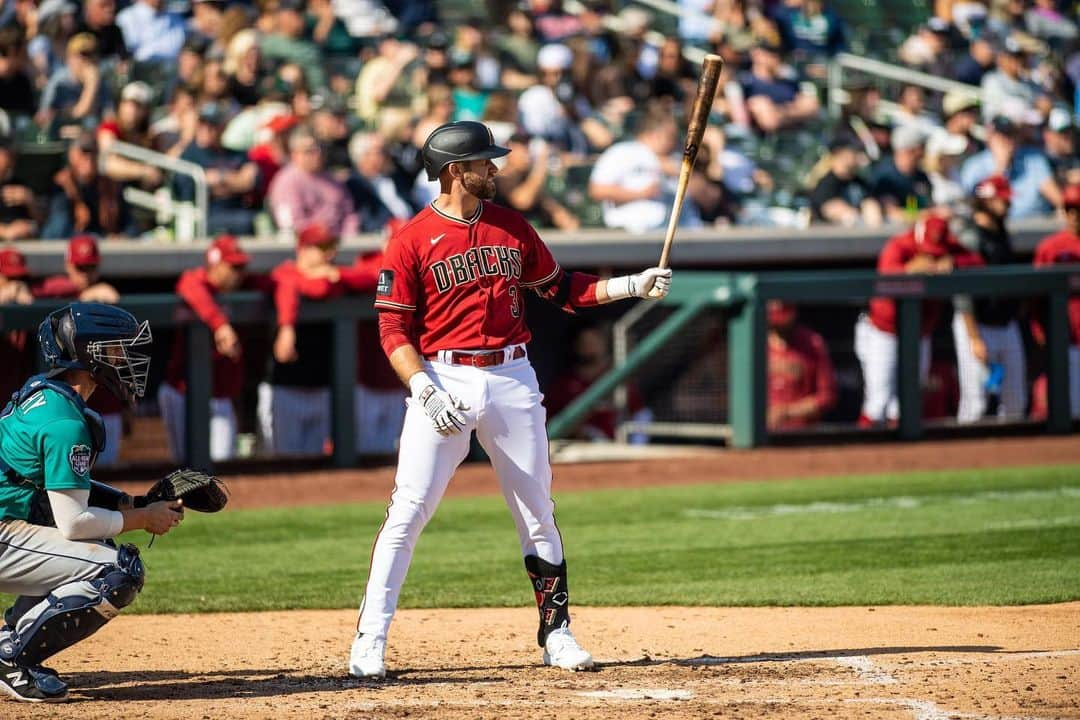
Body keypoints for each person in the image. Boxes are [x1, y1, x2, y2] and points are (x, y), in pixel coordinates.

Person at [350, 120, 673, 679]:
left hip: (512, 377)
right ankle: (369, 640)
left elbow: (562, 289)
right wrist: (422, 388)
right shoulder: (410, 239)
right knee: (407, 512)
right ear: (455, 171)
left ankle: (558, 633)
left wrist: (630, 285)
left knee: (537, 511)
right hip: (442, 377)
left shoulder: (511, 227)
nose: (495, 169)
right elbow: (393, 330)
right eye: (484, 162)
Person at [0, 302, 183, 703]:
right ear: (88, 354)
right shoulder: (66, 422)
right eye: (117, 349)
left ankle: (10, 635)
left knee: (98, 550)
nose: (126, 359)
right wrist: (143, 518)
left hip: (6, 524)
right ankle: (11, 656)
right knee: (118, 571)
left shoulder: (47, 395)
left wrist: (132, 502)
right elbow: (75, 522)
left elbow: (61, 489)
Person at [855, 215, 983, 426]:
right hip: (883, 331)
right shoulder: (899, 245)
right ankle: (862, 452)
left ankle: (901, 455)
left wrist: (954, 262)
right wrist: (908, 270)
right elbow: (884, 276)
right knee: (878, 400)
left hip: (920, 331)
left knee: (909, 398)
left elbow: (978, 262)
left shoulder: (948, 244)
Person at [259, 223, 374, 456]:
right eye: (322, 247)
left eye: (331, 247)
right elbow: (303, 286)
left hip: (322, 388)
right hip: (286, 388)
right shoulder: (285, 273)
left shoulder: (337, 275)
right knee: (282, 463)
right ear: (303, 249)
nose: (329, 254)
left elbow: (372, 279)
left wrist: (337, 275)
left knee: (314, 464)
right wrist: (288, 327)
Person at [160, 235, 267, 462]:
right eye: (233, 267)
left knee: (223, 463)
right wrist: (220, 324)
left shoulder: (246, 285)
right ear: (215, 264)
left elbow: (282, 281)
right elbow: (188, 285)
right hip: (183, 392)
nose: (239, 273)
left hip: (220, 396)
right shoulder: (197, 281)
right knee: (185, 468)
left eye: (242, 266)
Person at [33, 236, 127, 465]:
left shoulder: (107, 297)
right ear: (68, 265)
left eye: (91, 267)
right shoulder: (55, 291)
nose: (85, 273)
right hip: (61, 404)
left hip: (103, 403)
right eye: (80, 267)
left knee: (104, 480)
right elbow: (37, 291)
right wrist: (81, 296)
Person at [952, 175, 1026, 422]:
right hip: (977, 325)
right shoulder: (971, 237)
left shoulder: (1002, 232)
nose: (1008, 205)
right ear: (987, 201)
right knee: (976, 403)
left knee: (1016, 402)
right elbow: (962, 292)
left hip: (1005, 323)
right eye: (1002, 200)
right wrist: (974, 337)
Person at [588, 102, 702, 233]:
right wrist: (640, 194)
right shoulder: (622, 152)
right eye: (670, 137)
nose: (674, 143)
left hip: (678, 233)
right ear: (652, 134)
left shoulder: (674, 160)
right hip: (631, 232)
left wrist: (683, 174)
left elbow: (707, 197)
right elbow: (597, 190)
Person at [544, 325, 652, 443]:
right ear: (576, 346)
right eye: (584, 342)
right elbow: (549, 418)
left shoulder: (615, 376)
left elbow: (639, 411)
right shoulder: (565, 383)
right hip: (581, 443)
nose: (590, 347)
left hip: (617, 440)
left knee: (644, 415)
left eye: (594, 341)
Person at [174, 102, 260, 235]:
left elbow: (250, 181)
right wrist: (234, 179)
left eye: (212, 125)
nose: (207, 129)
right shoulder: (189, 155)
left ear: (222, 128)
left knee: (252, 221)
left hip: (238, 209)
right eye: (202, 124)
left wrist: (219, 178)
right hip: (207, 213)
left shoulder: (236, 154)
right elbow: (185, 189)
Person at [1031, 184, 1080, 418]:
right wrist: (1040, 330)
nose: (1075, 216)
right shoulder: (1050, 248)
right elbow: (1036, 297)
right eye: (1071, 210)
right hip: (1067, 339)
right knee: (1072, 409)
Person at [960, 116, 1060, 219]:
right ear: (989, 139)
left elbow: (1055, 196)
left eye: (1010, 135)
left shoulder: (1033, 159)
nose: (1007, 141)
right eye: (1001, 136)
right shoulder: (974, 166)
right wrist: (1001, 168)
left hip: (1036, 223)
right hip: (998, 226)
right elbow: (975, 205)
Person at [266, 126, 358, 238]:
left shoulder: (332, 179)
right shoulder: (287, 182)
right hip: (309, 246)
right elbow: (291, 225)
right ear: (295, 154)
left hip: (342, 244)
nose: (317, 155)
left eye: (320, 149)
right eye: (310, 151)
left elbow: (349, 214)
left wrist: (349, 238)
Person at [766, 301, 837, 430]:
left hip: (802, 433)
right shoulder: (754, 346)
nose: (780, 328)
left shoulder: (812, 343)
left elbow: (827, 397)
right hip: (762, 433)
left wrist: (788, 412)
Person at [42, 131, 123, 239]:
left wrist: (122, 238)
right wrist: (97, 239)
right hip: (69, 249)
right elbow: (59, 231)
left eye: (93, 152)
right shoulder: (61, 186)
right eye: (83, 152)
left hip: (105, 248)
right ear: (72, 155)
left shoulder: (109, 186)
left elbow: (130, 226)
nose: (89, 158)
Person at [810, 136, 882, 226]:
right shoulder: (825, 184)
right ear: (839, 153)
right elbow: (829, 209)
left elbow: (871, 207)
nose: (858, 154)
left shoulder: (859, 183)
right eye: (854, 151)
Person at [871, 125, 934, 223]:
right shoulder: (885, 176)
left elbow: (918, 207)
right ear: (911, 150)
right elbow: (892, 213)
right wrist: (930, 214)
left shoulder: (920, 176)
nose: (925, 151)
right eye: (922, 147)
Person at [115, 0, 186, 64]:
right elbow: (125, 56)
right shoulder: (126, 18)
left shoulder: (177, 18)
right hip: (139, 73)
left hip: (172, 73)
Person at [0, 138, 38, 242]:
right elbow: (8, 232)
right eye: (6, 155)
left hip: (22, 243)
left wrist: (30, 201)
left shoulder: (20, 183)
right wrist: (6, 231)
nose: (10, 161)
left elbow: (40, 223)